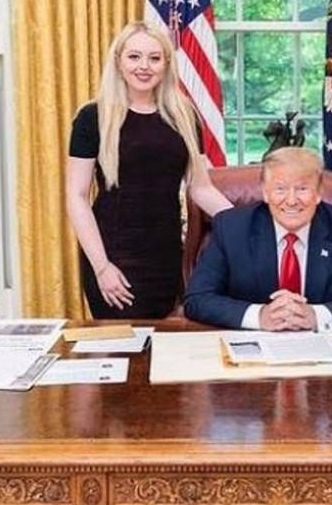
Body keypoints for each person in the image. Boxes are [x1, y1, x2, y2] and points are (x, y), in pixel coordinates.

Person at [67, 21, 232, 319]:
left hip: (165, 256)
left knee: (161, 340)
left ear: (166, 64)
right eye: (134, 57)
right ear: (118, 61)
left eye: (154, 58)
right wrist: (102, 267)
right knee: (120, 342)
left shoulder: (184, 115)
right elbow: (76, 196)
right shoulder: (92, 117)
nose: (144, 66)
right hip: (112, 256)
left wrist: (245, 225)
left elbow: (200, 188)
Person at [184, 147, 332, 331]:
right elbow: (197, 299)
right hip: (252, 345)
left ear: (318, 193)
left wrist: (316, 316)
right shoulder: (231, 228)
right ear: (265, 192)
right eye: (280, 189)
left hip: (320, 346)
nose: (291, 201)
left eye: (302, 189)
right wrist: (259, 316)